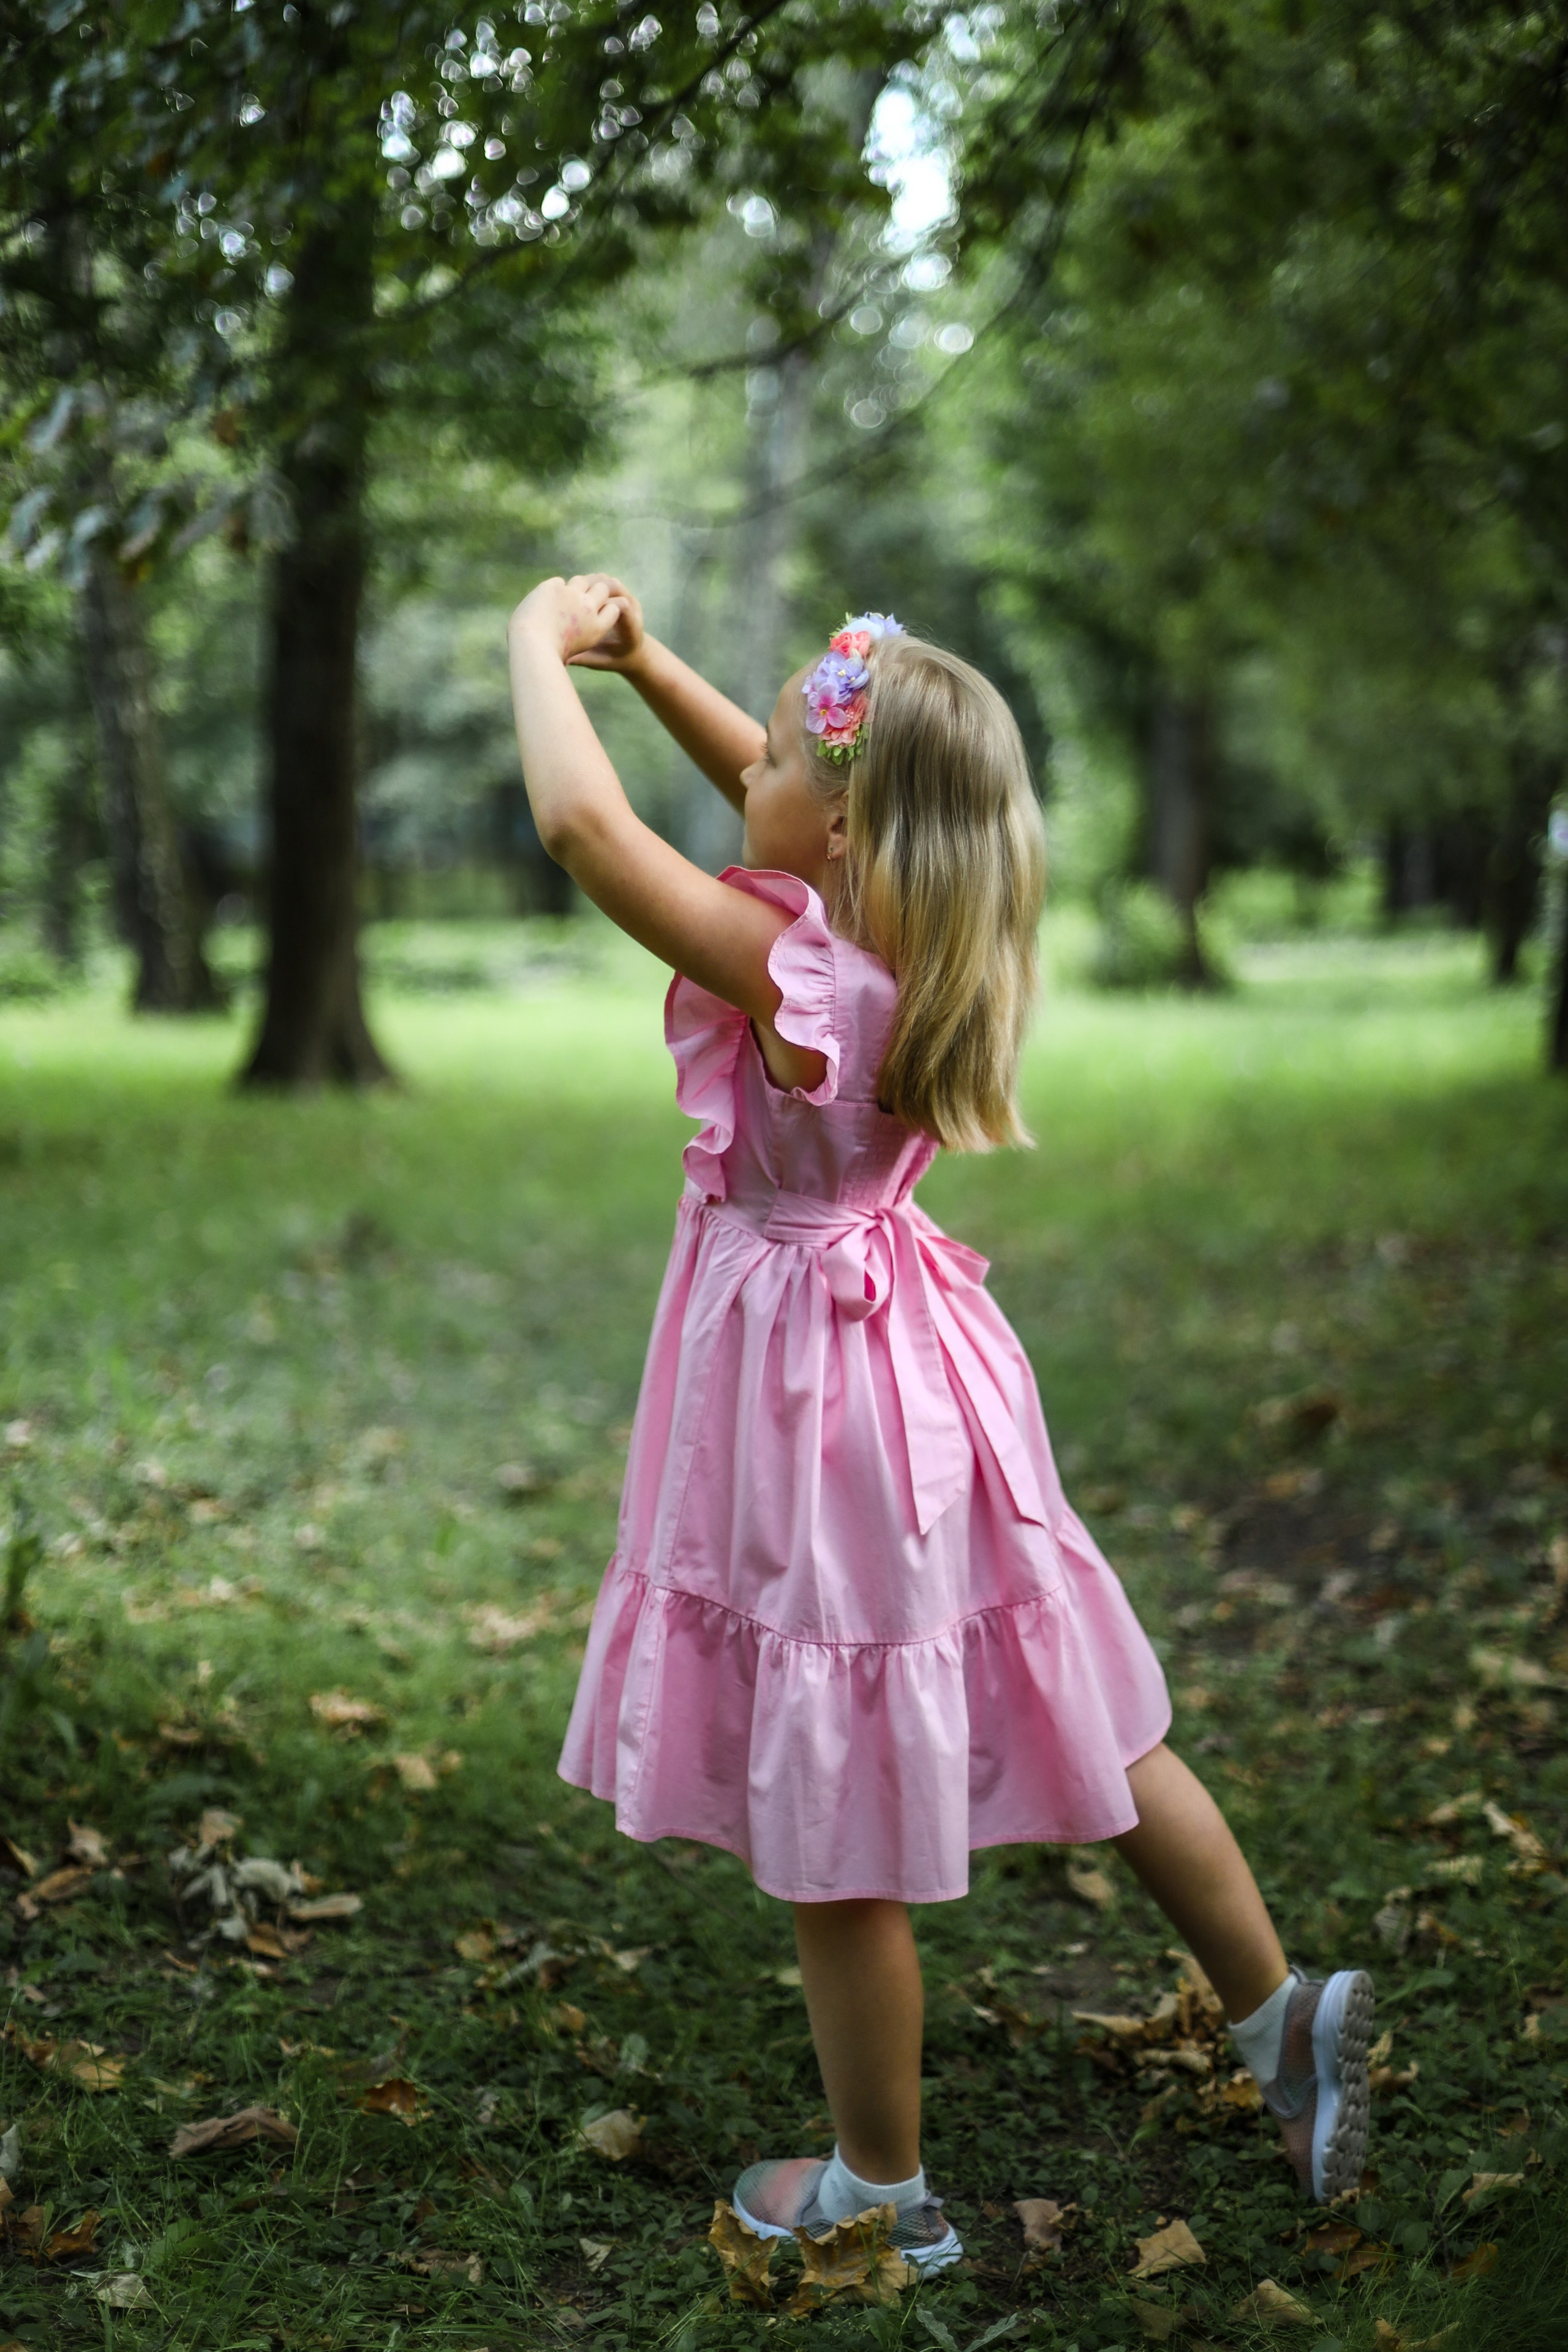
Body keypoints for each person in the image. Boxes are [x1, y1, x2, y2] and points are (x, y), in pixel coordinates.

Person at [507, 575, 1374, 2272]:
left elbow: (583, 831)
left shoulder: (797, 971)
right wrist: (645, 662)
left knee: (835, 1828)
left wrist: (535, 652)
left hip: (825, 1407)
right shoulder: (897, 942)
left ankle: (879, 2200)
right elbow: (765, 784)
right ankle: (1281, 2021)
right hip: (923, 1377)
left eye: (769, 753)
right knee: (1100, 1727)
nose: (742, 762)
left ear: (834, 825)